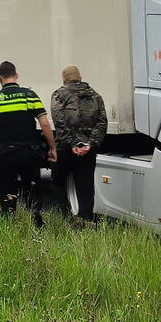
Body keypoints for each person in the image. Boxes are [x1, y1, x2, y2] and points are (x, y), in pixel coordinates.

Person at [0, 61, 57, 226]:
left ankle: (8, 225)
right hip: (29, 153)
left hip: (6, 154)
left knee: (6, 191)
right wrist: (52, 147)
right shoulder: (30, 95)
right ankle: (36, 222)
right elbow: (45, 124)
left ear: (0, 78)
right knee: (32, 189)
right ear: (16, 75)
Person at [50, 65, 107, 221]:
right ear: (80, 78)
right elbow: (102, 122)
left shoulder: (59, 95)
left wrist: (73, 143)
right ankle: (86, 218)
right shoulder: (95, 96)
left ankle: (66, 217)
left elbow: (59, 122)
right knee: (86, 186)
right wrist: (89, 144)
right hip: (88, 151)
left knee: (58, 181)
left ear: (64, 79)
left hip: (65, 149)